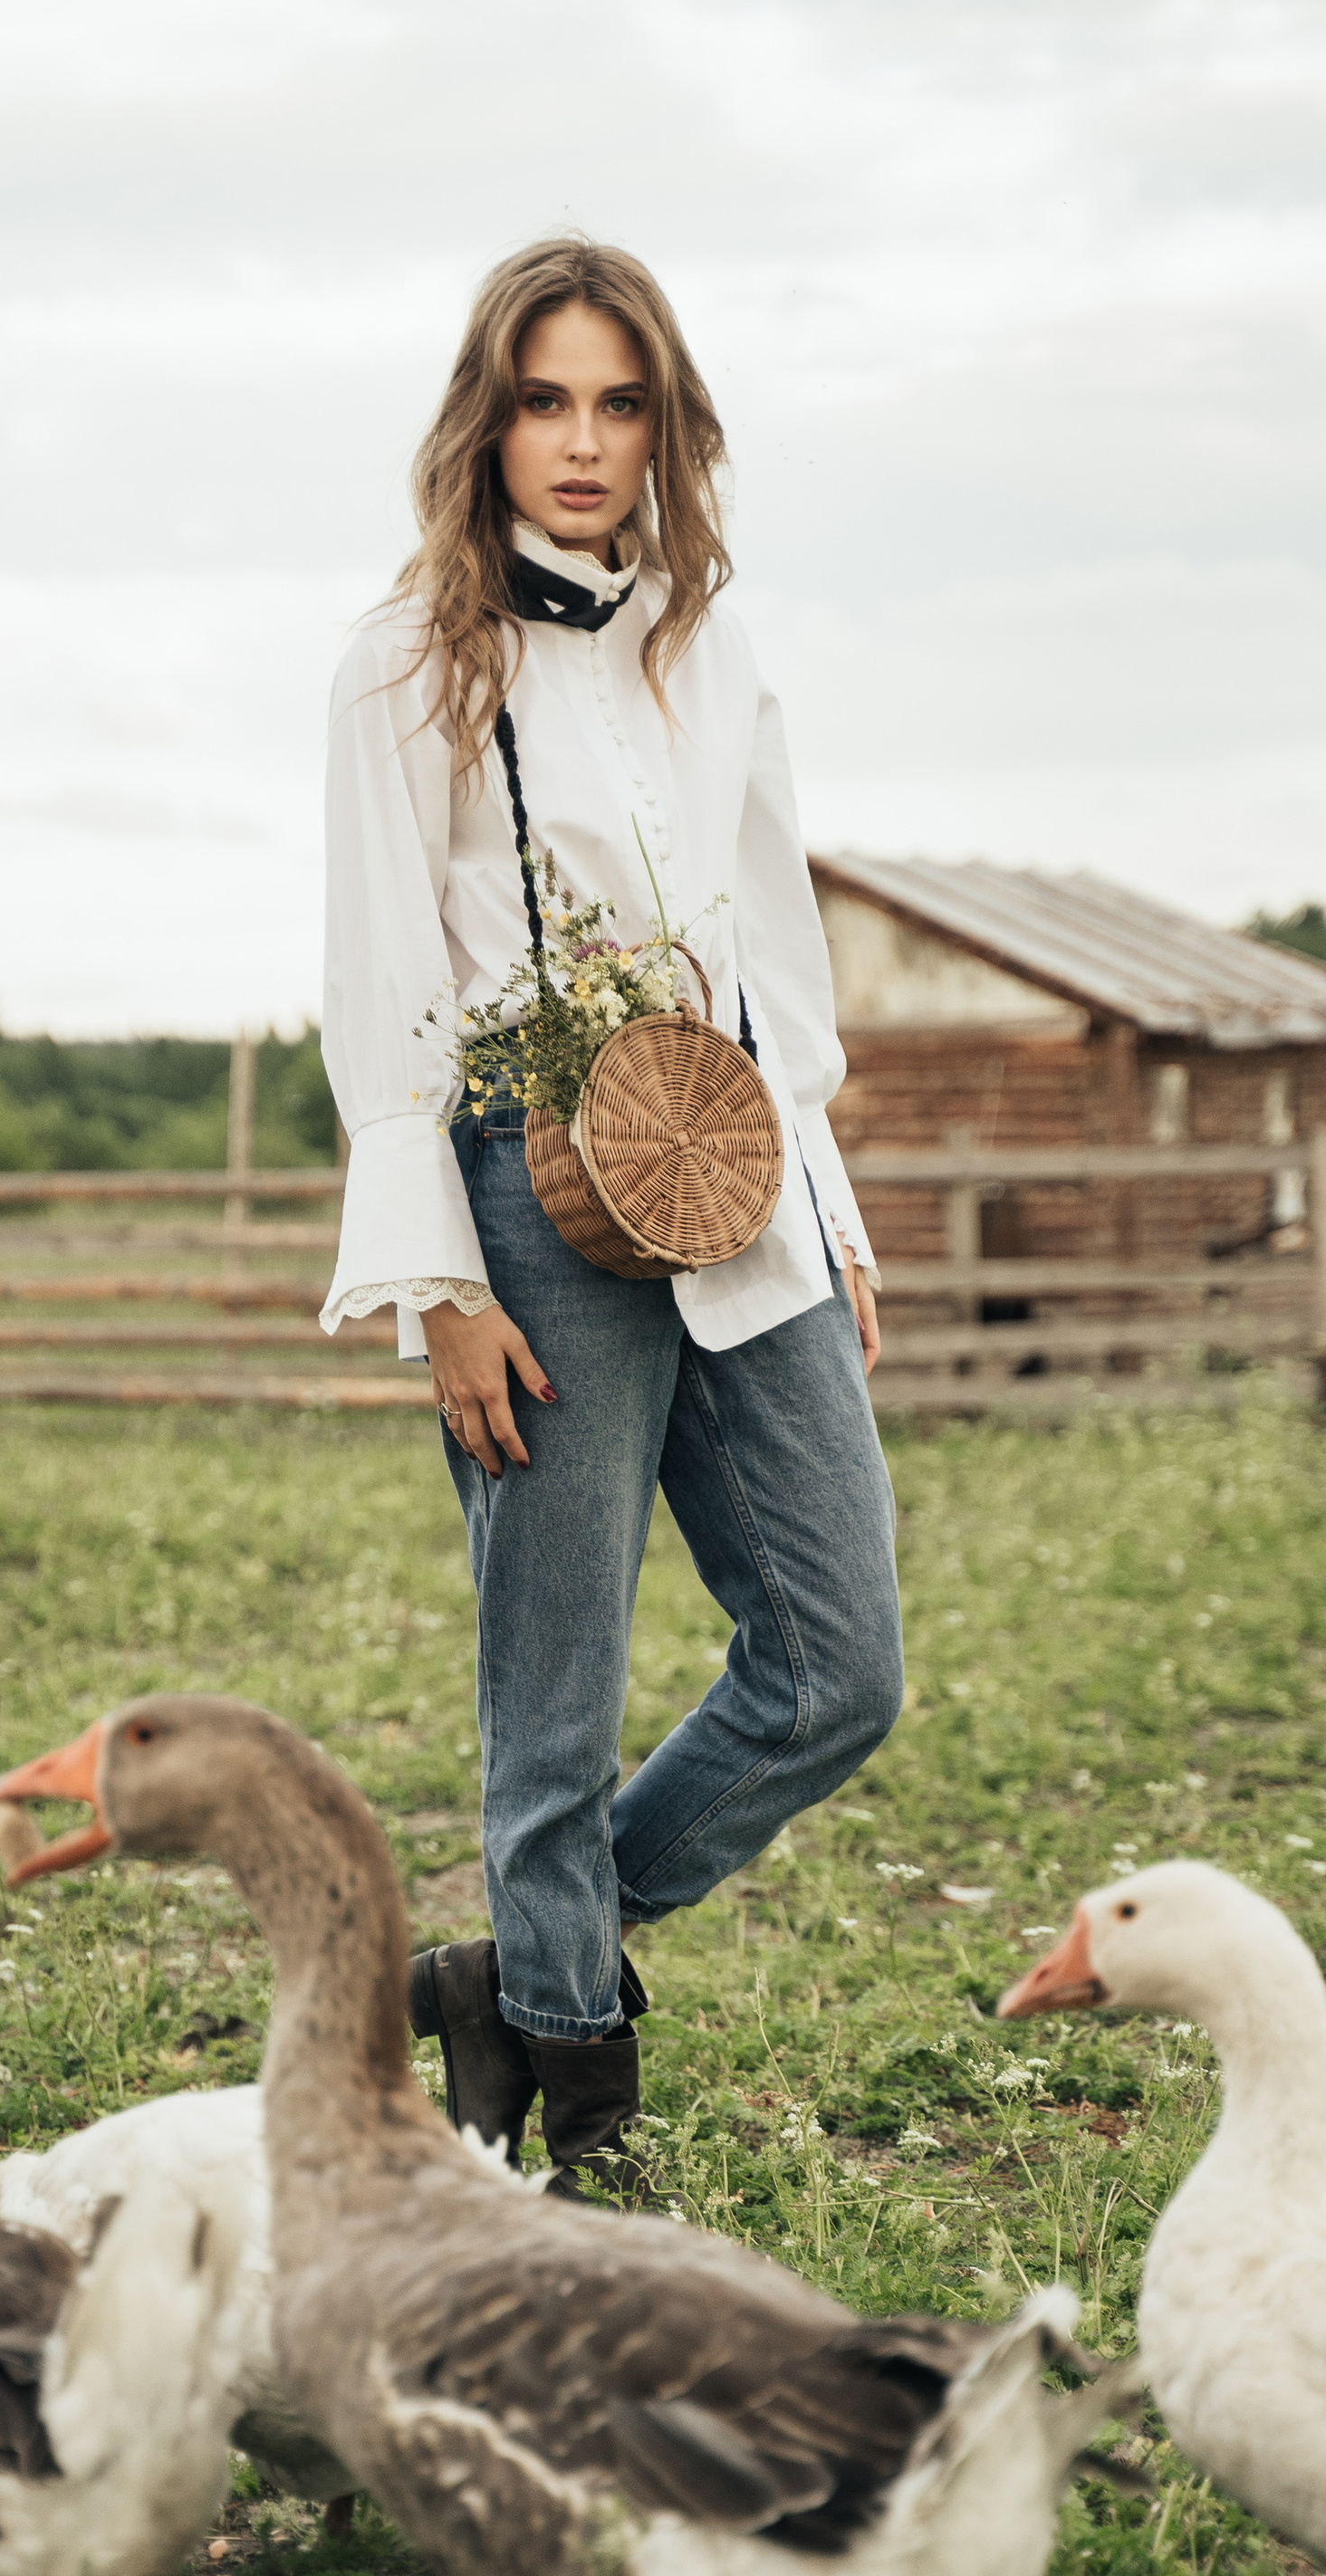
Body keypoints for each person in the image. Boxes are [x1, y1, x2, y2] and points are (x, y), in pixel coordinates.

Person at [317, 235, 901, 2199]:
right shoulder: (409, 661)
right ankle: (577, 2088)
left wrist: (827, 1217)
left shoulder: (708, 646)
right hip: (521, 1194)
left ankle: (522, 1962)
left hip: (730, 1180)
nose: (581, 444)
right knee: (548, 1697)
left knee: (837, 1666)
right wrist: (437, 1285)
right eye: (545, 400)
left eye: (619, 402)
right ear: (487, 424)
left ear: (667, 427)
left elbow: (775, 965)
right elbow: (383, 982)